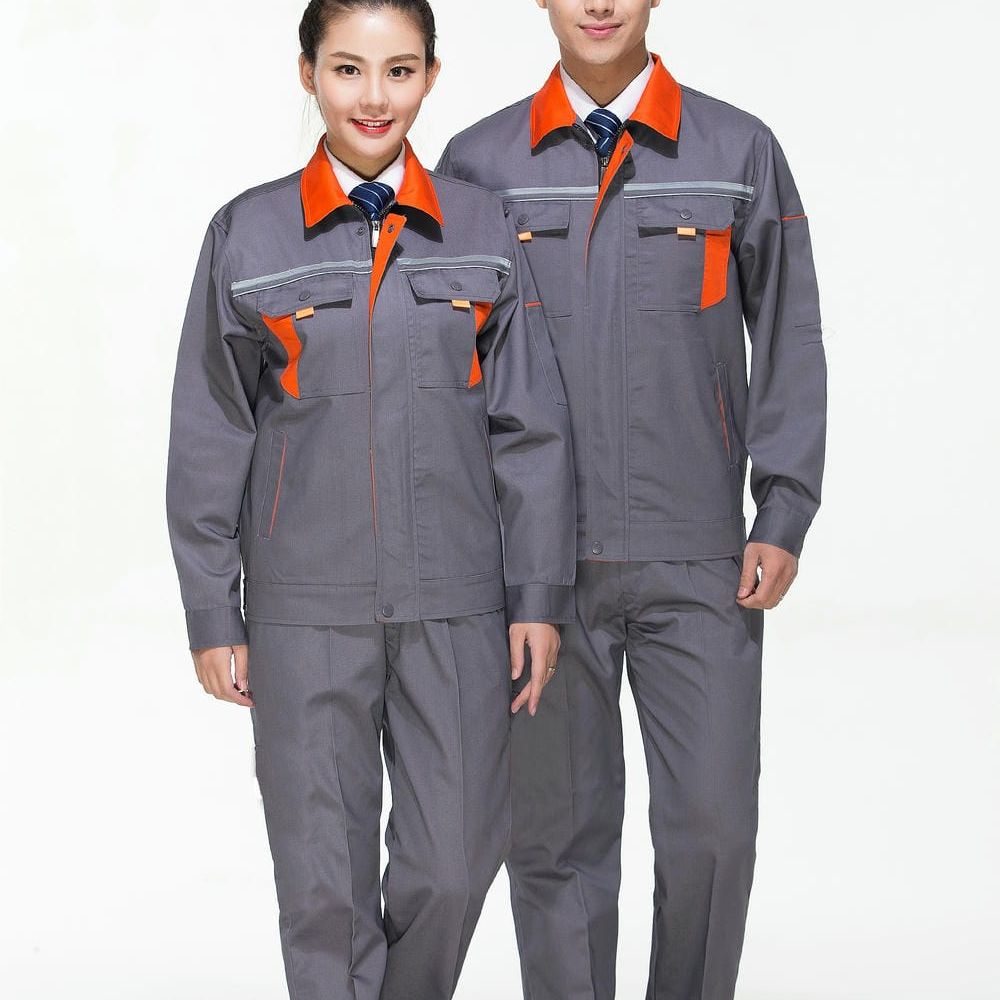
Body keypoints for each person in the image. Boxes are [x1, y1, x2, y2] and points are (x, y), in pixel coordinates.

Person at [164, 2, 577, 998]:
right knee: (326, 894)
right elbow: (211, 431)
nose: (374, 97)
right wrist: (214, 610)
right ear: (307, 72)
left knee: (456, 862)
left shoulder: (481, 227)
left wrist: (537, 594)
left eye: (399, 70)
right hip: (306, 608)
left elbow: (529, 426)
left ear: (431, 75)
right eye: (348, 69)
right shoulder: (249, 232)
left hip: (457, 603)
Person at [437, 1, 828, 997]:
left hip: (698, 556)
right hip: (538, 568)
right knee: (556, 844)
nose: (600, 5)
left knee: (712, 831)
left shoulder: (737, 150)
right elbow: (447, 366)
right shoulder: (479, 164)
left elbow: (788, 329)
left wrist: (783, 505)